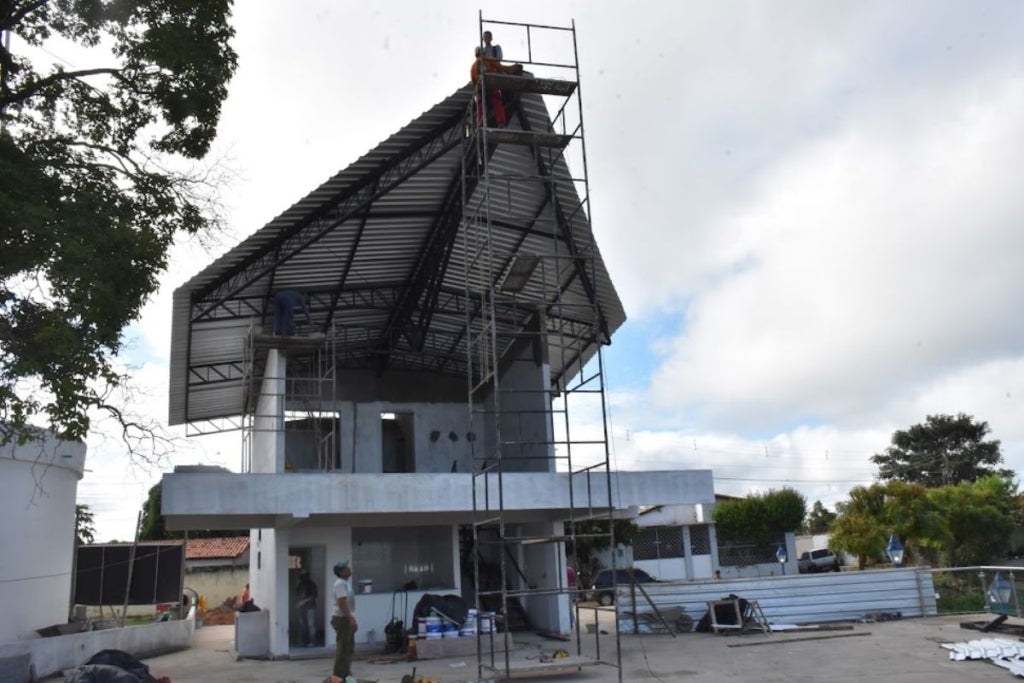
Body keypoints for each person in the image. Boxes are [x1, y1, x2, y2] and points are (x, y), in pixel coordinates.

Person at [470, 46, 520, 127]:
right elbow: (501, 68)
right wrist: (513, 67)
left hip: (480, 89)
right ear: (484, 52)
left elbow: (473, 81)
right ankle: (501, 122)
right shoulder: (488, 60)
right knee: (497, 103)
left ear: (476, 54)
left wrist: (478, 85)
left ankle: (480, 124)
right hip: (492, 86)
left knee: (481, 107)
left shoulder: (473, 66)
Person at [330, 561, 357, 681]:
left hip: (345, 618)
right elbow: (342, 602)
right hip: (342, 619)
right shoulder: (340, 584)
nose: (349, 569)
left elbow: (348, 605)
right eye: (346, 568)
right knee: (343, 648)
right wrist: (349, 619)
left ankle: (346, 673)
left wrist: (352, 618)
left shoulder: (345, 583)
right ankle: (338, 676)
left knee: (349, 647)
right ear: (341, 572)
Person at [296, 570, 319, 647]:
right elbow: (298, 594)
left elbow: (313, 596)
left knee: (311, 624)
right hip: (302, 607)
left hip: (310, 607)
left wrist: (303, 602)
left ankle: (312, 641)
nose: (302, 577)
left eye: (304, 575)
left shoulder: (312, 584)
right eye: (301, 576)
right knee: (302, 625)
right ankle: (303, 641)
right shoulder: (300, 584)